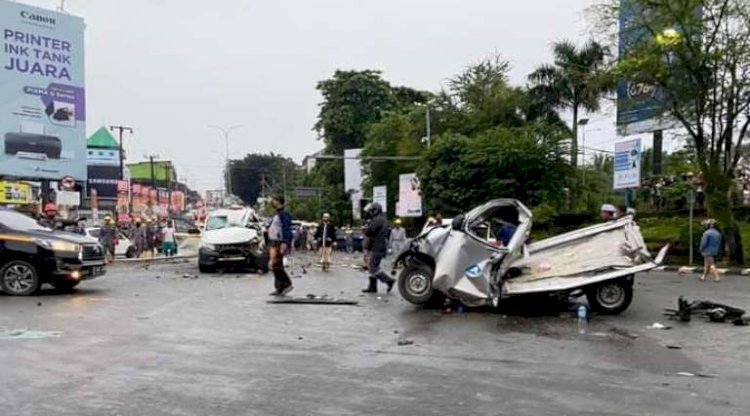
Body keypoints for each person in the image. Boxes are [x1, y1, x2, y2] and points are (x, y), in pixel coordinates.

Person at [362, 202, 396, 293]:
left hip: (377, 247)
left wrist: (365, 228)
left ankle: (389, 280)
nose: (369, 213)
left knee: (373, 267)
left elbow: (370, 231)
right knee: (371, 266)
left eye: (371, 211)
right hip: (377, 246)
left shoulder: (378, 220)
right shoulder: (380, 219)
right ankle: (372, 287)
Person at [268, 195, 294, 296]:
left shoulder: (284, 214)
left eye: (273, 200)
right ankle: (279, 287)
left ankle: (287, 284)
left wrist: (285, 242)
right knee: (277, 265)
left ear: (278, 202)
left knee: (276, 265)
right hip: (274, 242)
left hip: (279, 242)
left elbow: (286, 229)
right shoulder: (277, 214)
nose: (272, 202)